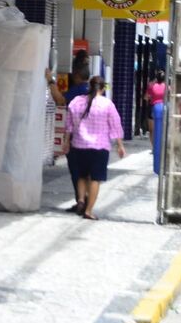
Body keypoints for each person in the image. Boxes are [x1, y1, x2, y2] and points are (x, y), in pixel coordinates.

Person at [63, 76, 126, 220]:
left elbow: (69, 125)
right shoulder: (107, 104)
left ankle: (80, 200)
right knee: (95, 179)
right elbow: (115, 125)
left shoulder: (76, 102)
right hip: (99, 148)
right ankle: (88, 211)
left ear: (89, 87)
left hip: (79, 145)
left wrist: (66, 142)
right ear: (103, 89)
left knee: (81, 176)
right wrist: (120, 145)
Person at [46, 66, 90, 211]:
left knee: (77, 171)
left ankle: (81, 202)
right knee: (86, 171)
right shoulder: (91, 90)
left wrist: (50, 81)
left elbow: (60, 101)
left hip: (77, 138)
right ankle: (85, 203)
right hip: (92, 138)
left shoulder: (78, 90)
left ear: (77, 75)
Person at [145, 69, 166, 174]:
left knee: (152, 130)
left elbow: (146, 97)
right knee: (162, 130)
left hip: (153, 109)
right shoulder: (167, 87)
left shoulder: (152, 86)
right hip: (163, 109)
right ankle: (160, 147)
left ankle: (154, 148)